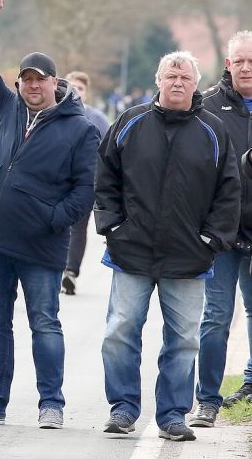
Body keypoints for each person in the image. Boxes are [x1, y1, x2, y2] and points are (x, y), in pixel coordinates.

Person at [0, 0, 100, 429]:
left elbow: (84, 191)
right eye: (27, 80)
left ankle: (50, 404)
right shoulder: (4, 107)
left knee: (45, 324)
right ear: (19, 83)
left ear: (56, 83)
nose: (33, 87)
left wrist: (51, 219)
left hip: (40, 246)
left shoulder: (80, 129)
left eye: (41, 80)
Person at [96, 51, 239, 442]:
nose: (178, 83)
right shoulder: (130, 122)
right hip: (131, 249)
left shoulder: (213, 130)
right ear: (158, 80)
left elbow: (229, 191)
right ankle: (123, 407)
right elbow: (105, 174)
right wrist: (112, 223)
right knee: (119, 331)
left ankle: (173, 414)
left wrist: (212, 238)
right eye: (171, 76)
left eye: (185, 78)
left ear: (196, 84)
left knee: (184, 339)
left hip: (189, 256)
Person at [193, 30, 252, 427]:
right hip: (222, 233)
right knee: (216, 315)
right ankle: (208, 400)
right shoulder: (208, 108)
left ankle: (249, 382)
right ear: (227, 64)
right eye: (240, 61)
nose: (246, 67)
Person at [61, 71, 110, 295]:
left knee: (78, 228)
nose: (76, 91)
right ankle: (55, 267)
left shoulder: (98, 119)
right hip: (57, 181)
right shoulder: (54, 114)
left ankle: (70, 272)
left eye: (80, 88)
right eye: (71, 86)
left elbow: (110, 152)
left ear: (86, 92)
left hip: (86, 183)